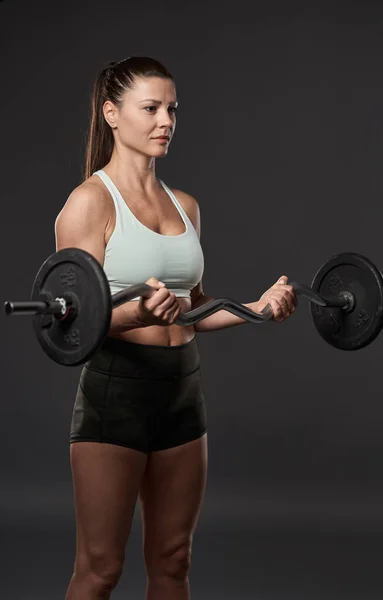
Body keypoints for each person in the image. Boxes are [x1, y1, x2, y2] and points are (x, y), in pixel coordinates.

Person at [55, 56, 297, 600]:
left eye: (172, 109)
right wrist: (136, 314)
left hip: (182, 394)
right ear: (111, 114)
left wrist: (257, 307)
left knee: (173, 562)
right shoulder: (89, 203)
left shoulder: (184, 206)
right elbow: (72, 320)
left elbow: (198, 306)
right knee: (100, 569)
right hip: (115, 393)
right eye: (151, 108)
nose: (166, 120)